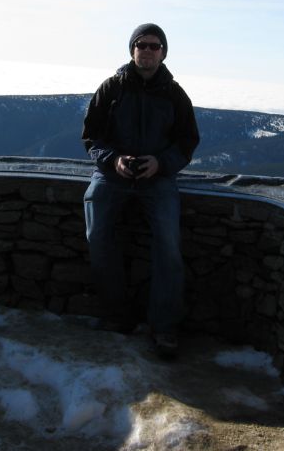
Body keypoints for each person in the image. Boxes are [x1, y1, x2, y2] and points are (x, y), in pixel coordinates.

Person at [82, 23, 200, 358]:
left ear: (163, 52)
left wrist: (160, 164)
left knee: (168, 244)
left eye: (154, 45)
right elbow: (92, 137)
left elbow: (187, 142)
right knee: (98, 234)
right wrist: (113, 160)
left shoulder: (175, 95)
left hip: (157, 177)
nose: (147, 51)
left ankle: (164, 327)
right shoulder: (112, 88)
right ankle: (116, 316)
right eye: (141, 44)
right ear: (132, 49)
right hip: (112, 174)